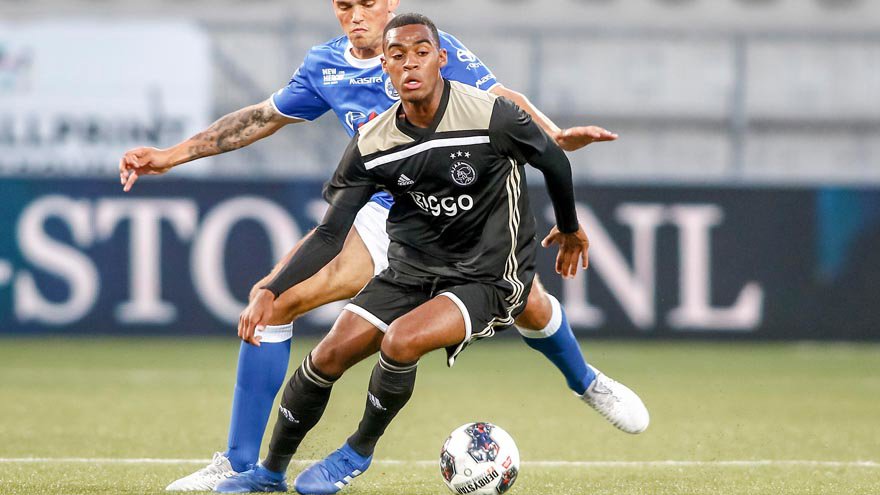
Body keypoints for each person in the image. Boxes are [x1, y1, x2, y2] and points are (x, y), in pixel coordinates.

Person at [118, 1, 648, 490]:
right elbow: (261, 117)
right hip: (386, 208)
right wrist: (170, 156)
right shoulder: (326, 66)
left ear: (391, 4)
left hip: (464, 207)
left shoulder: (428, 47)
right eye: (344, 5)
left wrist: (552, 134)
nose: (356, 15)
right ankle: (241, 463)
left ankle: (585, 381)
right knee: (275, 301)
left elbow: (501, 100)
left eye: (367, 3)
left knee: (524, 298)